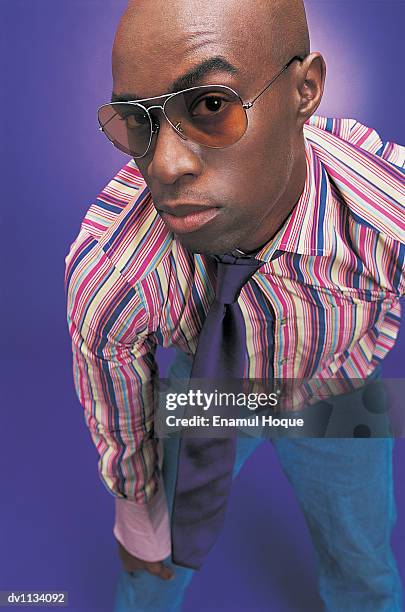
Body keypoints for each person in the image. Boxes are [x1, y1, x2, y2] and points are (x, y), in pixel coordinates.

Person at [65, 0, 405, 609]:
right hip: (210, 390)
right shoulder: (115, 273)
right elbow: (121, 418)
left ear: (307, 89)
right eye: (140, 124)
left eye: (212, 105)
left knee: (364, 560)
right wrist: (139, 521)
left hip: (340, 385)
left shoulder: (386, 215)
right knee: (152, 566)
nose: (164, 167)